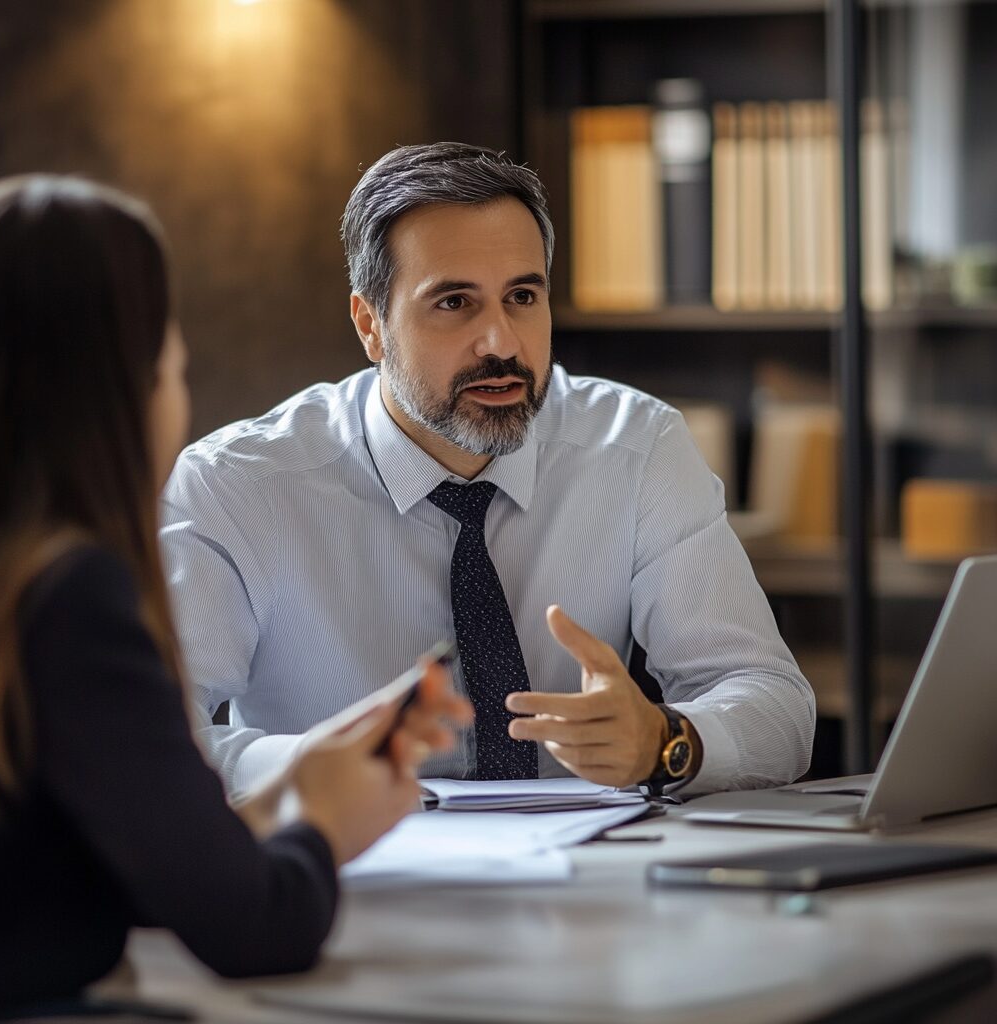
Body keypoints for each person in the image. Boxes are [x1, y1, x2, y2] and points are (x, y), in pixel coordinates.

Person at [162, 142, 815, 798]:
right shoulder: (239, 485)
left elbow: (775, 705)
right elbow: (149, 736)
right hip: (348, 875)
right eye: (454, 303)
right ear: (371, 326)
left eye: (522, 297)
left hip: (591, 878)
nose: (502, 342)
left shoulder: (636, 447)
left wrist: (665, 741)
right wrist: (312, 770)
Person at [0, 175, 470, 1018]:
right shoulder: (70, 602)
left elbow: (119, 854)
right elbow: (256, 929)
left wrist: (289, 794)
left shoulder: (5, 582)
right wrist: (327, 830)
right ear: (116, 387)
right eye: (172, 360)